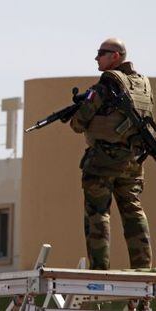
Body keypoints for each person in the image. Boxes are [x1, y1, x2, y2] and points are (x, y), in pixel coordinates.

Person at [70, 38, 154, 270]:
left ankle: (99, 271)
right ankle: (144, 268)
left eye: (101, 53)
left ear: (115, 56)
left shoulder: (103, 88)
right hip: (133, 161)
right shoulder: (143, 86)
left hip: (102, 162)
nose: (96, 57)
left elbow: (78, 123)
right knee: (134, 211)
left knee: (98, 214)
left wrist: (79, 112)